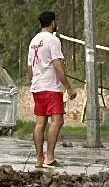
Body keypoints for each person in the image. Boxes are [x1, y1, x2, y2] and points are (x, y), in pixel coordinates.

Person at [27, 11, 76, 168]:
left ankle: (39, 159)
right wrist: (68, 88)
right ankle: (50, 157)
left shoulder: (33, 41)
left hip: (37, 87)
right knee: (58, 120)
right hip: (51, 88)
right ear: (53, 23)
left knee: (40, 122)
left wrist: (34, 81)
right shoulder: (53, 40)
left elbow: (29, 67)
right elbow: (57, 64)